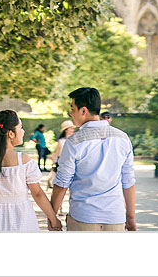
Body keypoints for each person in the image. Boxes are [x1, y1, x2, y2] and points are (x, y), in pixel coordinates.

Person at [50, 86, 136, 232]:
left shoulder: (74, 141)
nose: (70, 113)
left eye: (72, 108)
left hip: (83, 216)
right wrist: (131, 217)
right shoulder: (122, 138)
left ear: (83, 111)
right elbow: (128, 182)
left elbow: (62, 182)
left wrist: (52, 216)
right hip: (115, 217)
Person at [0, 110, 62, 232]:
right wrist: (53, 219)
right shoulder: (23, 161)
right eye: (21, 128)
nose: (23, 131)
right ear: (11, 134)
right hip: (22, 216)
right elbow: (38, 194)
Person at [46, 119, 75, 191]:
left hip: (72, 162)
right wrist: (53, 164)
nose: (73, 130)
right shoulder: (61, 141)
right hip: (62, 163)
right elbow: (56, 153)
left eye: (72, 128)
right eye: (71, 128)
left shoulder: (75, 140)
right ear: (66, 130)